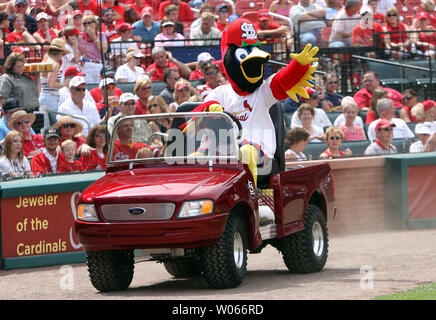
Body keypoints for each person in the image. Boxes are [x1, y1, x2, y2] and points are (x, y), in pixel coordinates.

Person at [39, 38, 71, 125]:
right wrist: (64, 85)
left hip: (43, 97)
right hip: (50, 98)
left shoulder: (45, 59)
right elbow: (51, 84)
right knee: (55, 125)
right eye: (63, 53)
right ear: (59, 52)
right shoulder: (55, 64)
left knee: (45, 126)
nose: (63, 55)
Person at [78, 15, 109, 83]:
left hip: (99, 64)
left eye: (89, 23)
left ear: (95, 24)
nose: (87, 25)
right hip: (86, 64)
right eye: (84, 23)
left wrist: (94, 37)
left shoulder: (101, 35)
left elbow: (104, 50)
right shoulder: (80, 37)